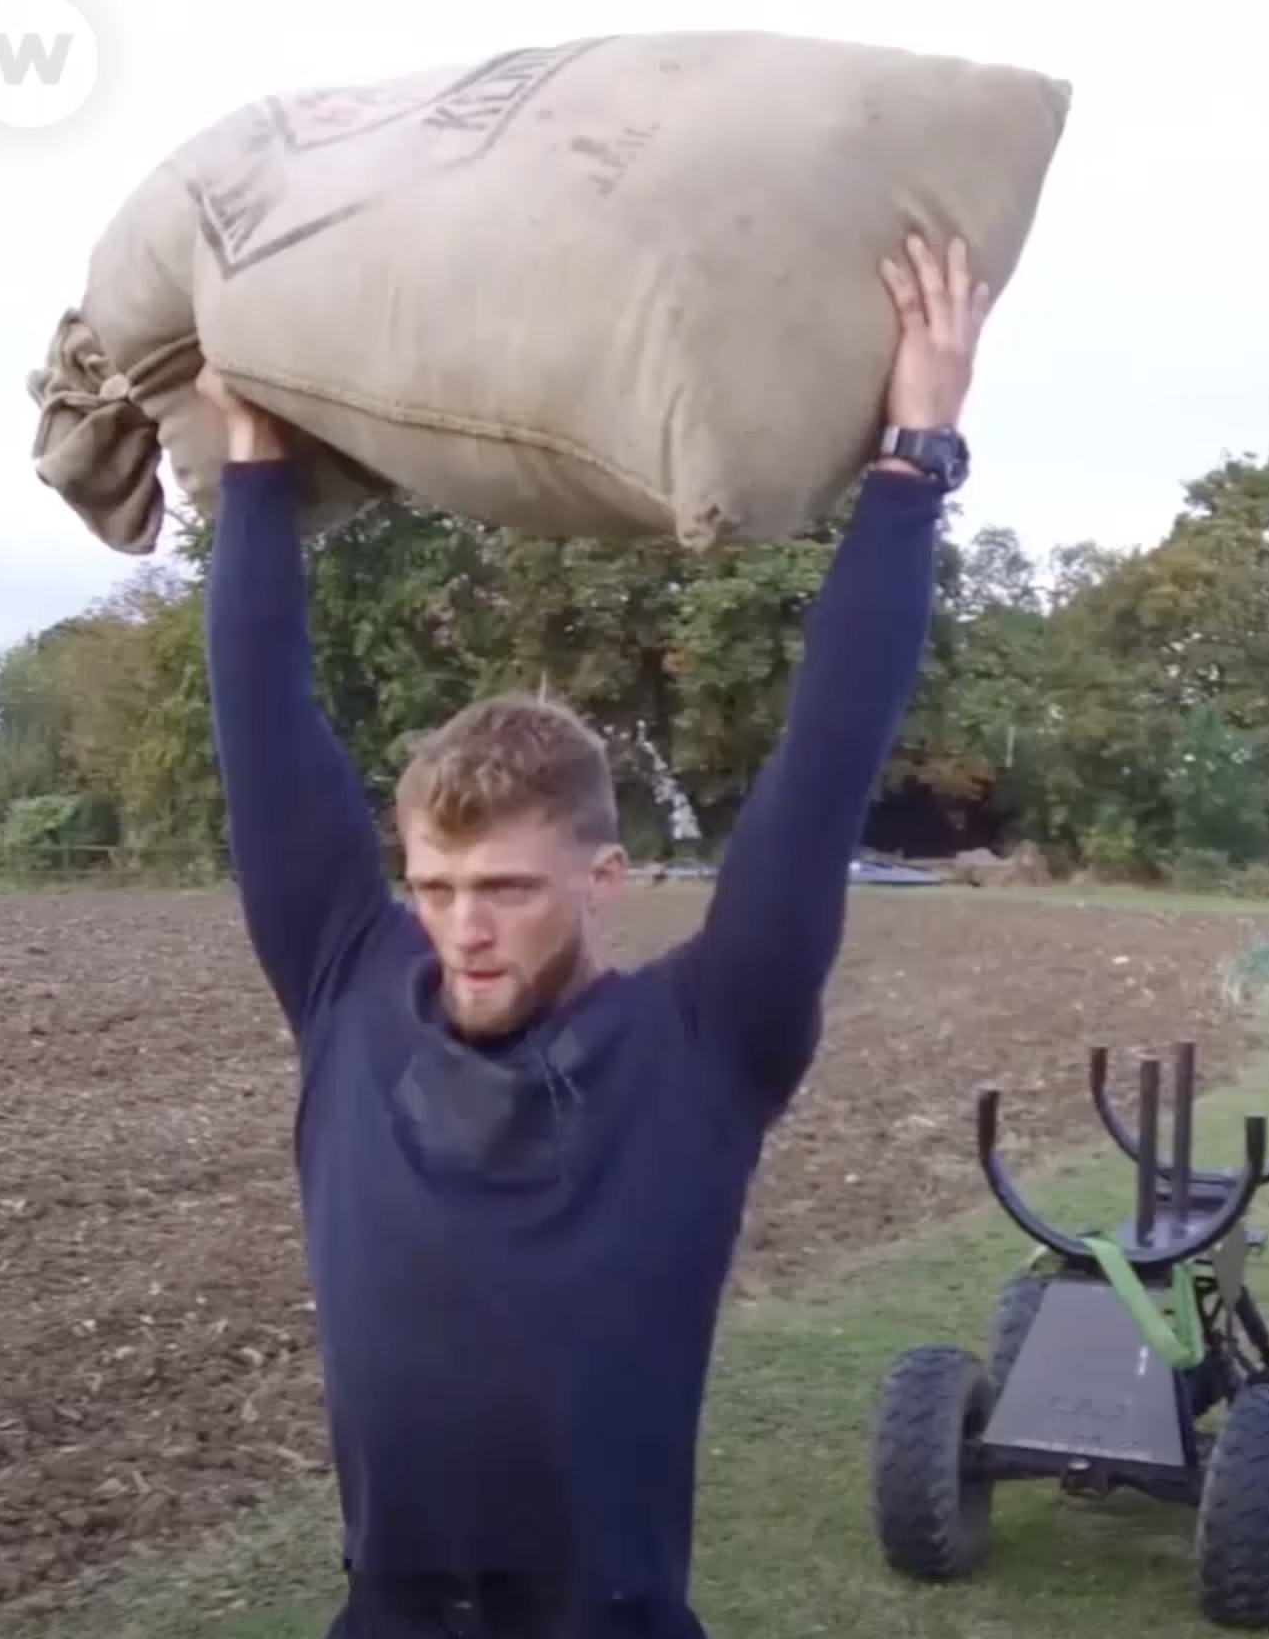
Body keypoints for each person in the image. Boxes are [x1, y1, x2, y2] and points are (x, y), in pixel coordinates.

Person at [198, 232, 992, 1639]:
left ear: (603, 878)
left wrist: (914, 462)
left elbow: (825, 759)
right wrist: (255, 473)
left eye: (507, 889)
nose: (463, 930)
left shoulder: (706, 1045)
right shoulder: (346, 987)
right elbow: (262, 723)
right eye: (436, 887)